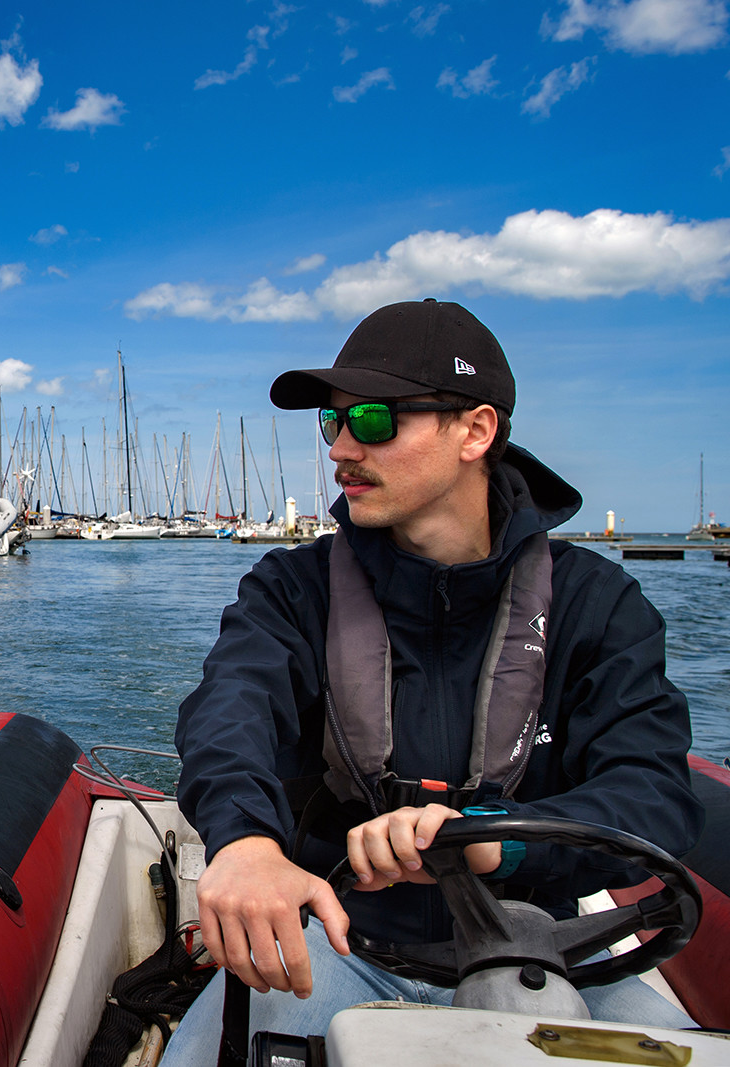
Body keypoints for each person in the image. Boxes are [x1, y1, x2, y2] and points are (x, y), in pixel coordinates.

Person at [165, 298, 704, 1063]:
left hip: (546, 949)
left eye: (376, 421)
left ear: (476, 431)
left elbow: (653, 793)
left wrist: (484, 843)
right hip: (343, 943)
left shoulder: (598, 605)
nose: (342, 447)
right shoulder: (293, 589)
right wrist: (247, 843)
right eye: (333, 422)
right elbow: (229, 711)